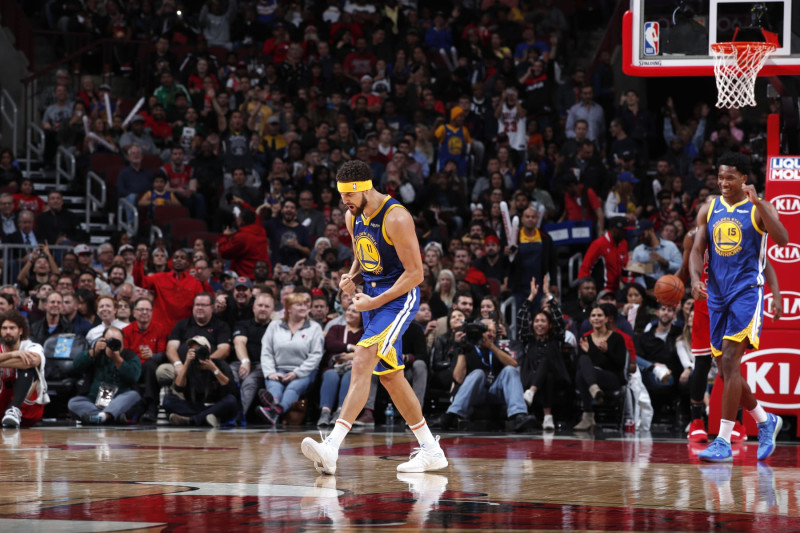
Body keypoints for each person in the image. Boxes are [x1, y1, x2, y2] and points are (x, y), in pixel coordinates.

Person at [301, 160, 448, 476]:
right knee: (391, 377)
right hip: (373, 300)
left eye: (349, 196)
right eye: (342, 197)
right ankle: (431, 450)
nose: (345, 203)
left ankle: (332, 447)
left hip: (398, 299)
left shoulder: (396, 217)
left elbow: (416, 274)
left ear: (365, 188)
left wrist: (374, 301)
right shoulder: (353, 216)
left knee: (363, 357)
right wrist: (351, 275)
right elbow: (361, 253)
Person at [690, 152, 789, 462]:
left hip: (746, 293)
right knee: (724, 370)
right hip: (716, 297)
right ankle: (764, 419)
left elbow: (783, 240)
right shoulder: (709, 208)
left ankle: (722, 439)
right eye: (720, 177)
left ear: (744, 178)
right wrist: (694, 279)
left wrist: (759, 203)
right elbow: (696, 249)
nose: (723, 182)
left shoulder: (759, 208)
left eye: (730, 177)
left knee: (731, 361)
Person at [258, 292, 323, 424]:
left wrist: (296, 373)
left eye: (305, 305)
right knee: (275, 385)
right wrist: (270, 372)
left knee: (292, 388)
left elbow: (316, 355)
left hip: (304, 372)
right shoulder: (274, 326)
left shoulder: (314, 328)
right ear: (289, 308)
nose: (303, 308)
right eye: (299, 305)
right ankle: (275, 408)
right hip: (278, 369)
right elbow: (266, 351)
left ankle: (275, 411)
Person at [517, 277, 571, 431]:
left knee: (548, 362)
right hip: (532, 376)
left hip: (558, 378)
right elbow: (521, 318)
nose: (539, 324)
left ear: (549, 325)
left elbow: (560, 320)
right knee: (546, 376)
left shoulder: (556, 338)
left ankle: (532, 392)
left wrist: (548, 294)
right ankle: (548, 417)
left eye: (543, 321)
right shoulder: (529, 339)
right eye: (536, 321)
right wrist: (531, 297)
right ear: (532, 325)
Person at [67, 327, 141, 425]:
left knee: (133, 396)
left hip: (119, 399)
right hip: (94, 401)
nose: (113, 345)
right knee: (73, 402)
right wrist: (94, 351)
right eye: (110, 341)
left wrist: (117, 359)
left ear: (123, 341)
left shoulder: (129, 356)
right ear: (103, 341)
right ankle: (107, 417)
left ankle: (102, 417)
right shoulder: (97, 353)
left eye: (117, 342)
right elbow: (76, 365)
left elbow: (133, 377)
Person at [163, 336, 239, 428]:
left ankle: (192, 420)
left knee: (231, 401)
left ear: (208, 350)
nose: (196, 352)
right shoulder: (189, 366)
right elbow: (179, 387)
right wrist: (186, 363)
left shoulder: (219, 364)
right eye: (193, 350)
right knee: (167, 401)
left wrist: (213, 368)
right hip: (197, 406)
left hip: (218, 406)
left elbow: (230, 387)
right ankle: (206, 418)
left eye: (199, 349)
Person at [573, 304, 627, 431]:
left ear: (607, 319)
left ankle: (588, 416)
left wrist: (607, 351)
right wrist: (587, 351)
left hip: (611, 377)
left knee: (583, 375)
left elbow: (620, 365)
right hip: (592, 377)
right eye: (593, 316)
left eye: (599, 315)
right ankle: (593, 389)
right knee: (582, 363)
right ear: (590, 320)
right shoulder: (586, 338)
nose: (596, 318)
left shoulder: (617, 338)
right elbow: (580, 365)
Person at [133, 248, 214, 329]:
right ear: (171, 261)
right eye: (176, 257)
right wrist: (138, 263)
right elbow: (140, 282)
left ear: (188, 263)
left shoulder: (195, 282)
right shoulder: (159, 277)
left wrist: (204, 282)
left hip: (185, 329)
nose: (179, 259)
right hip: (160, 328)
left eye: (182, 258)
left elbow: (208, 300)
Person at [122, 297, 171, 423]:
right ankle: (141, 405)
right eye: (141, 309)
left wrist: (153, 355)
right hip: (133, 368)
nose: (145, 312)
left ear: (152, 312)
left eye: (148, 310)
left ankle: (151, 406)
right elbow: (124, 354)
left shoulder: (161, 329)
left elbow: (163, 354)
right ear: (134, 313)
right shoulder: (126, 331)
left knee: (150, 365)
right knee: (128, 368)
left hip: (151, 368)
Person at [317, 303, 363, 427]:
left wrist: (350, 356)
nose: (349, 313)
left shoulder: (365, 332)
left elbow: (366, 351)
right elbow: (330, 344)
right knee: (331, 375)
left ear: (362, 316)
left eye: (354, 311)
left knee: (349, 376)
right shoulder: (336, 328)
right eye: (348, 310)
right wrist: (350, 347)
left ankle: (341, 413)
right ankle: (325, 412)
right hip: (333, 365)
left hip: (354, 367)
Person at [0, 310, 49, 428]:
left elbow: (32, 361)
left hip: (28, 407)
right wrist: (13, 354)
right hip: (2, 402)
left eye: (12, 328)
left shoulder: (31, 346)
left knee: (28, 366)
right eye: (4, 328)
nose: (8, 331)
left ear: (20, 331)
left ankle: (14, 409)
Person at [231, 292, 274, 420]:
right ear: (254, 308)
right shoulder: (243, 324)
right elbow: (239, 342)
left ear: (272, 310)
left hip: (263, 365)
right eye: (260, 305)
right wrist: (245, 361)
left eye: (267, 306)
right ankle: (225, 410)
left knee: (249, 382)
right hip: (242, 362)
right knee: (229, 373)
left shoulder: (276, 327)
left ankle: (238, 417)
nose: (263, 309)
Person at [578, 216, 630, 294]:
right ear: (614, 230)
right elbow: (585, 268)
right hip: (602, 290)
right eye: (623, 230)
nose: (626, 233)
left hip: (617, 289)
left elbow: (625, 266)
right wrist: (586, 290)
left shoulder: (623, 243)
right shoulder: (599, 244)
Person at [217, 208, 271, 280]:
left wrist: (224, 236)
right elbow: (255, 216)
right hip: (263, 275)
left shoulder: (241, 237)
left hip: (247, 278)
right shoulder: (261, 231)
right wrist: (243, 203)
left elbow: (223, 252)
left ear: (240, 221)